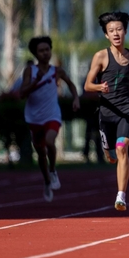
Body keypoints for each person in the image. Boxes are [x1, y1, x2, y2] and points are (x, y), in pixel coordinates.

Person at [84, 12, 129, 211]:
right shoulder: (101, 56)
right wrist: (100, 87)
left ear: (125, 31)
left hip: (127, 109)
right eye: (111, 31)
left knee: (122, 148)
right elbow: (87, 85)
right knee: (111, 156)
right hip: (107, 112)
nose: (116, 33)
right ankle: (107, 151)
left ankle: (121, 196)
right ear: (106, 35)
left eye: (119, 29)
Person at [20, 37, 80, 202]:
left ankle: (53, 170)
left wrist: (76, 98)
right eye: (41, 51)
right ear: (35, 53)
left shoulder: (57, 71)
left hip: (52, 114)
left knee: (49, 141)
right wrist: (36, 80)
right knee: (40, 153)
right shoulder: (30, 71)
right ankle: (47, 181)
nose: (45, 53)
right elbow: (22, 93)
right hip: (34, 117)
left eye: (47, 50)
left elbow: (71, 84)